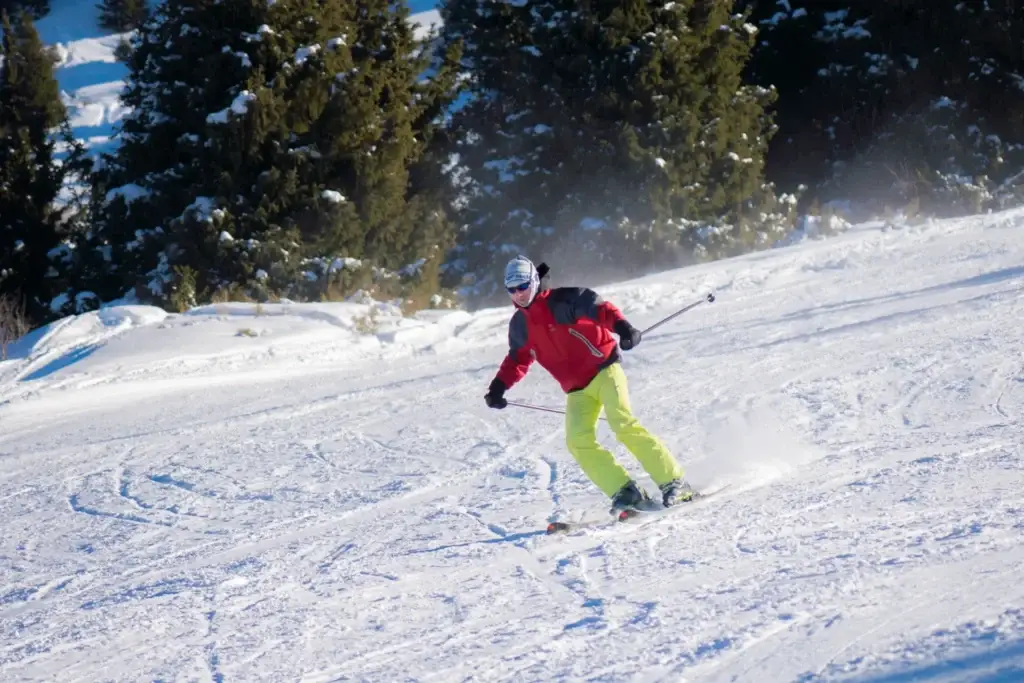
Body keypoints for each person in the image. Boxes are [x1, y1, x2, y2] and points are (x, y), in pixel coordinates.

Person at [484, 255, 694, 513]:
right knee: (577, 441)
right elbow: (517, 359)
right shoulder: (519, 326)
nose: (518, 294)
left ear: (535, 281)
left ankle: (673, 481)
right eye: (512, 290)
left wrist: (623, 328)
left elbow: (600, 309)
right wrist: (498, 387)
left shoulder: (564, 300)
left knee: (622, 423)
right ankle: (625, 491)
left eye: (523, 286)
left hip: (605, 370)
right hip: (577, 390)